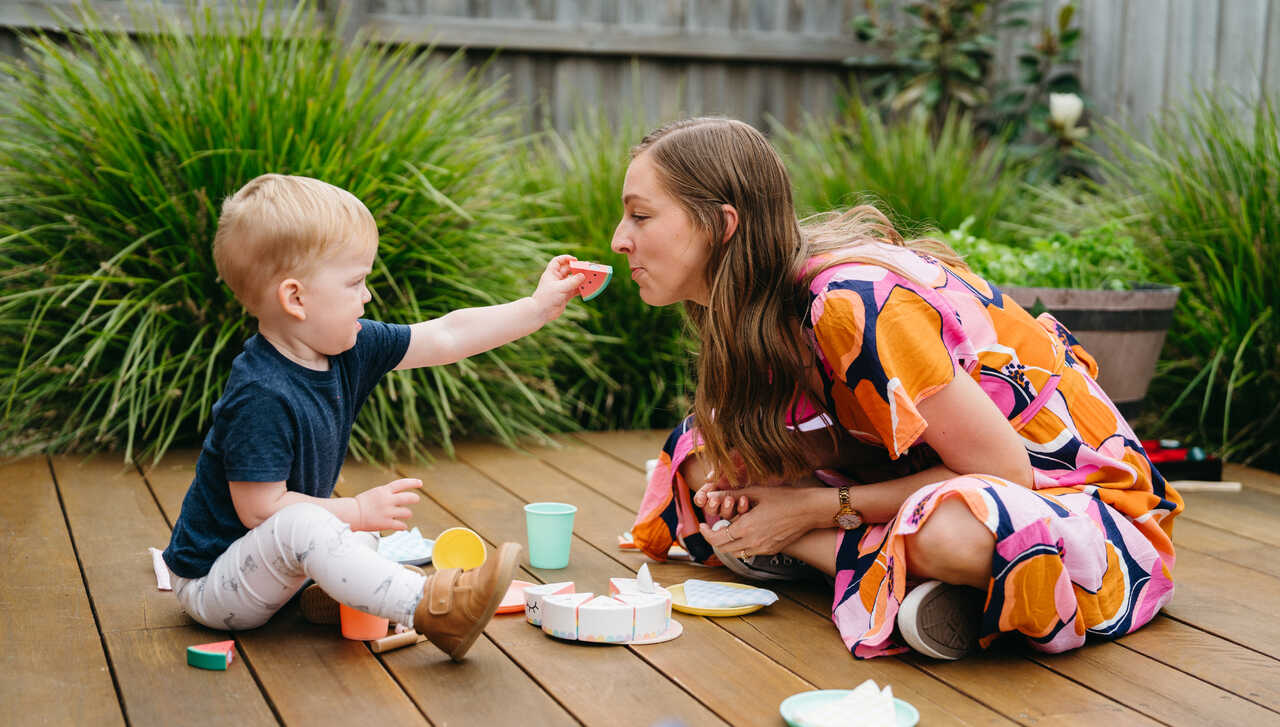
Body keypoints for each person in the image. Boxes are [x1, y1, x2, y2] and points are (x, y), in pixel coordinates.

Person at [619, 118, 1183, 660]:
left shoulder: (852, 303)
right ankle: (893, 576)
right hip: (929, 472)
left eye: (640, 217)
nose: (621, 241)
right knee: (707, 450)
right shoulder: (753, 304)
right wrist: (772, 467)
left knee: (953, 537)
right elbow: (877, 430)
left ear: (723, 225)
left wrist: (810, 509)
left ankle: (799, 550)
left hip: (1069, 497)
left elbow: (1005, 473)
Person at [161, 174, 584, 661]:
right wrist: (357, 513)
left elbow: (447, 335)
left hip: (264, 569)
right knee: (312, 524)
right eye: (355, 282)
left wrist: (535, 308)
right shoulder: (261, 392)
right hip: (214, 583)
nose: (367, 296)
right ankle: (433, 608)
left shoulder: (349, 347)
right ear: (295, 298)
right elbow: (260, 510)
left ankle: (329, 594)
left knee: (337, 533)